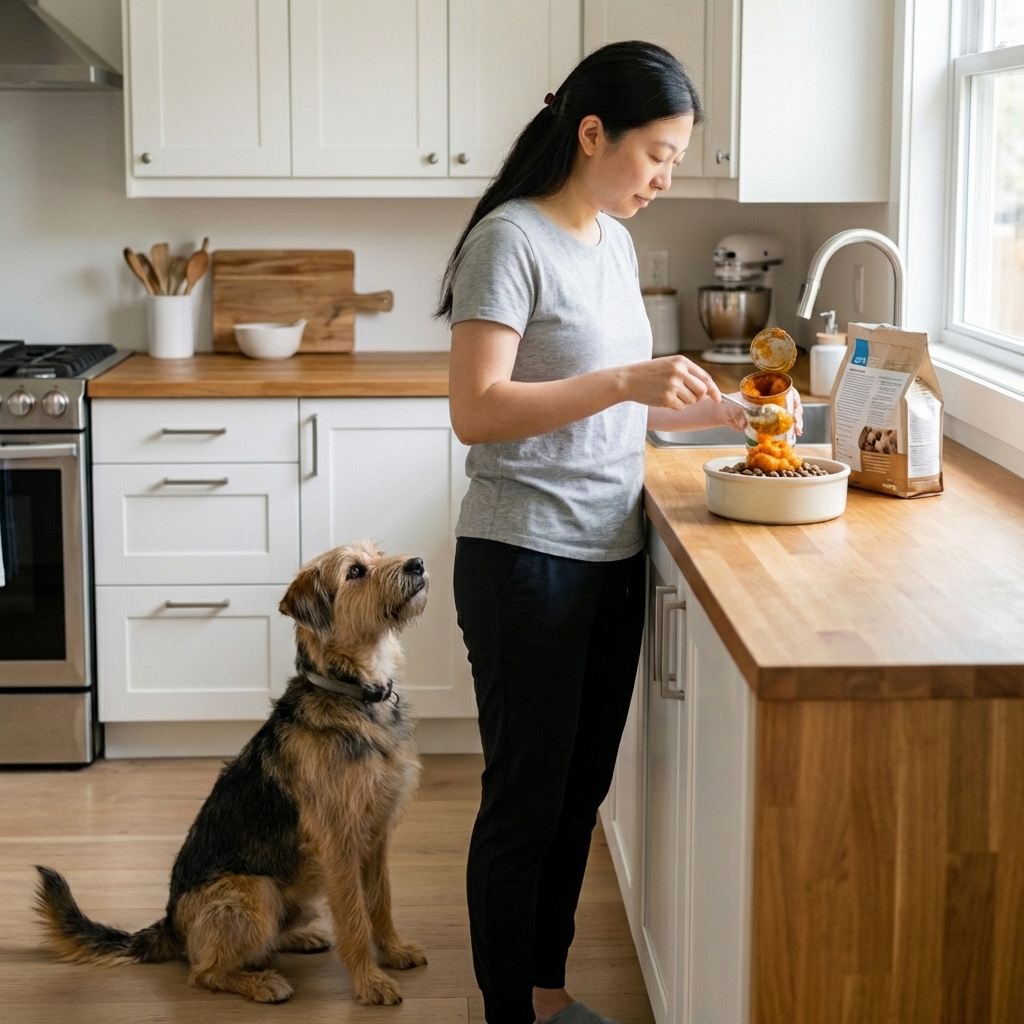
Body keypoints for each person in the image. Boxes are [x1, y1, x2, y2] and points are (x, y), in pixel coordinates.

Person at [439, 41, 794, 1024]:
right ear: (591, 132)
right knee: (524, 806)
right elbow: (477, 409)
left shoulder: (610, 239)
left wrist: (735, 414)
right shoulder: (508, 242)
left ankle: (546, 996)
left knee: (576, 795)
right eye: (656, 153)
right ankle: (510, 1011)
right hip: (524, 560)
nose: (666, 177)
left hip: (609, 554)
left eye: (677, 156)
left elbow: (623, 409)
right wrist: (628, 381)